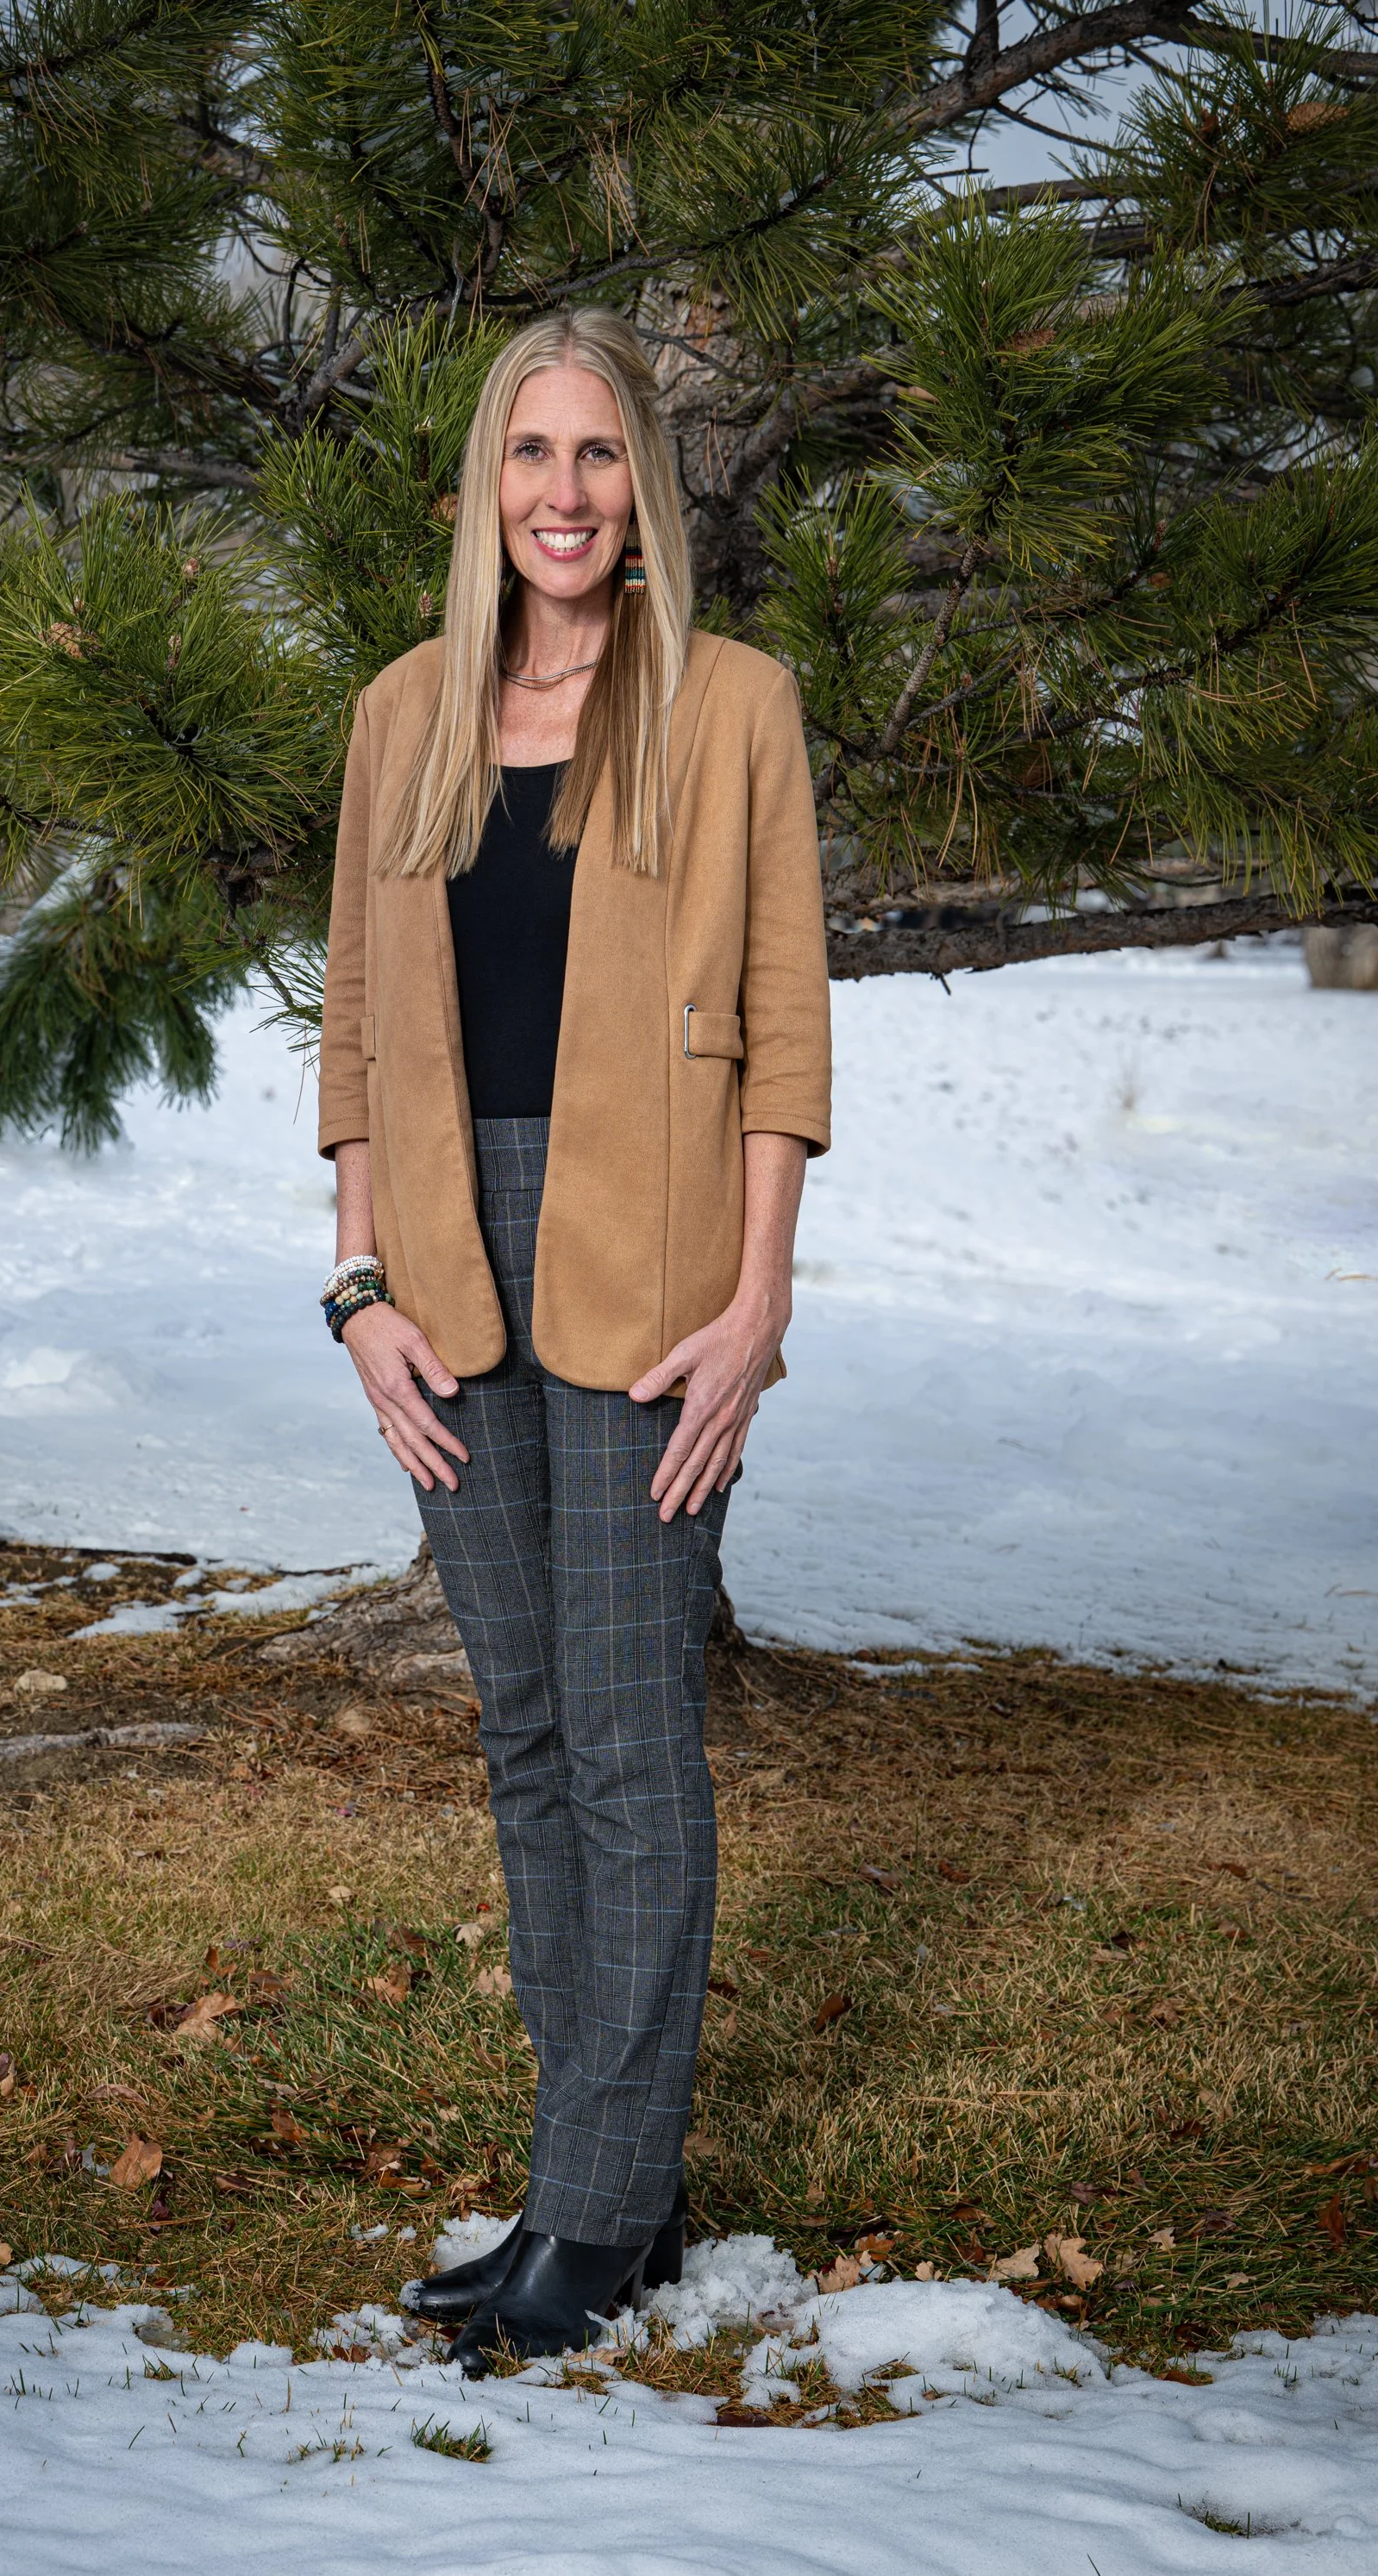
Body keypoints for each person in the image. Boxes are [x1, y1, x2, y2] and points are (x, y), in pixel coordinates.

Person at [316, 306, 830, 2376]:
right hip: (446, 1266)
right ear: (481, 485)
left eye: (599, 454)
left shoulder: (729, 708)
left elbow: (784, 1028)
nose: (561, 492)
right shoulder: (405, 715)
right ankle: (578, 2169)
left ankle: (607, 2214)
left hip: (654, 1268)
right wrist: (358, 1294)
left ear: (647, 491)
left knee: (628, 1742)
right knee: (524, 1729)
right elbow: (355, 1030)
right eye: (529, 453)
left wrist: (758, 1304)